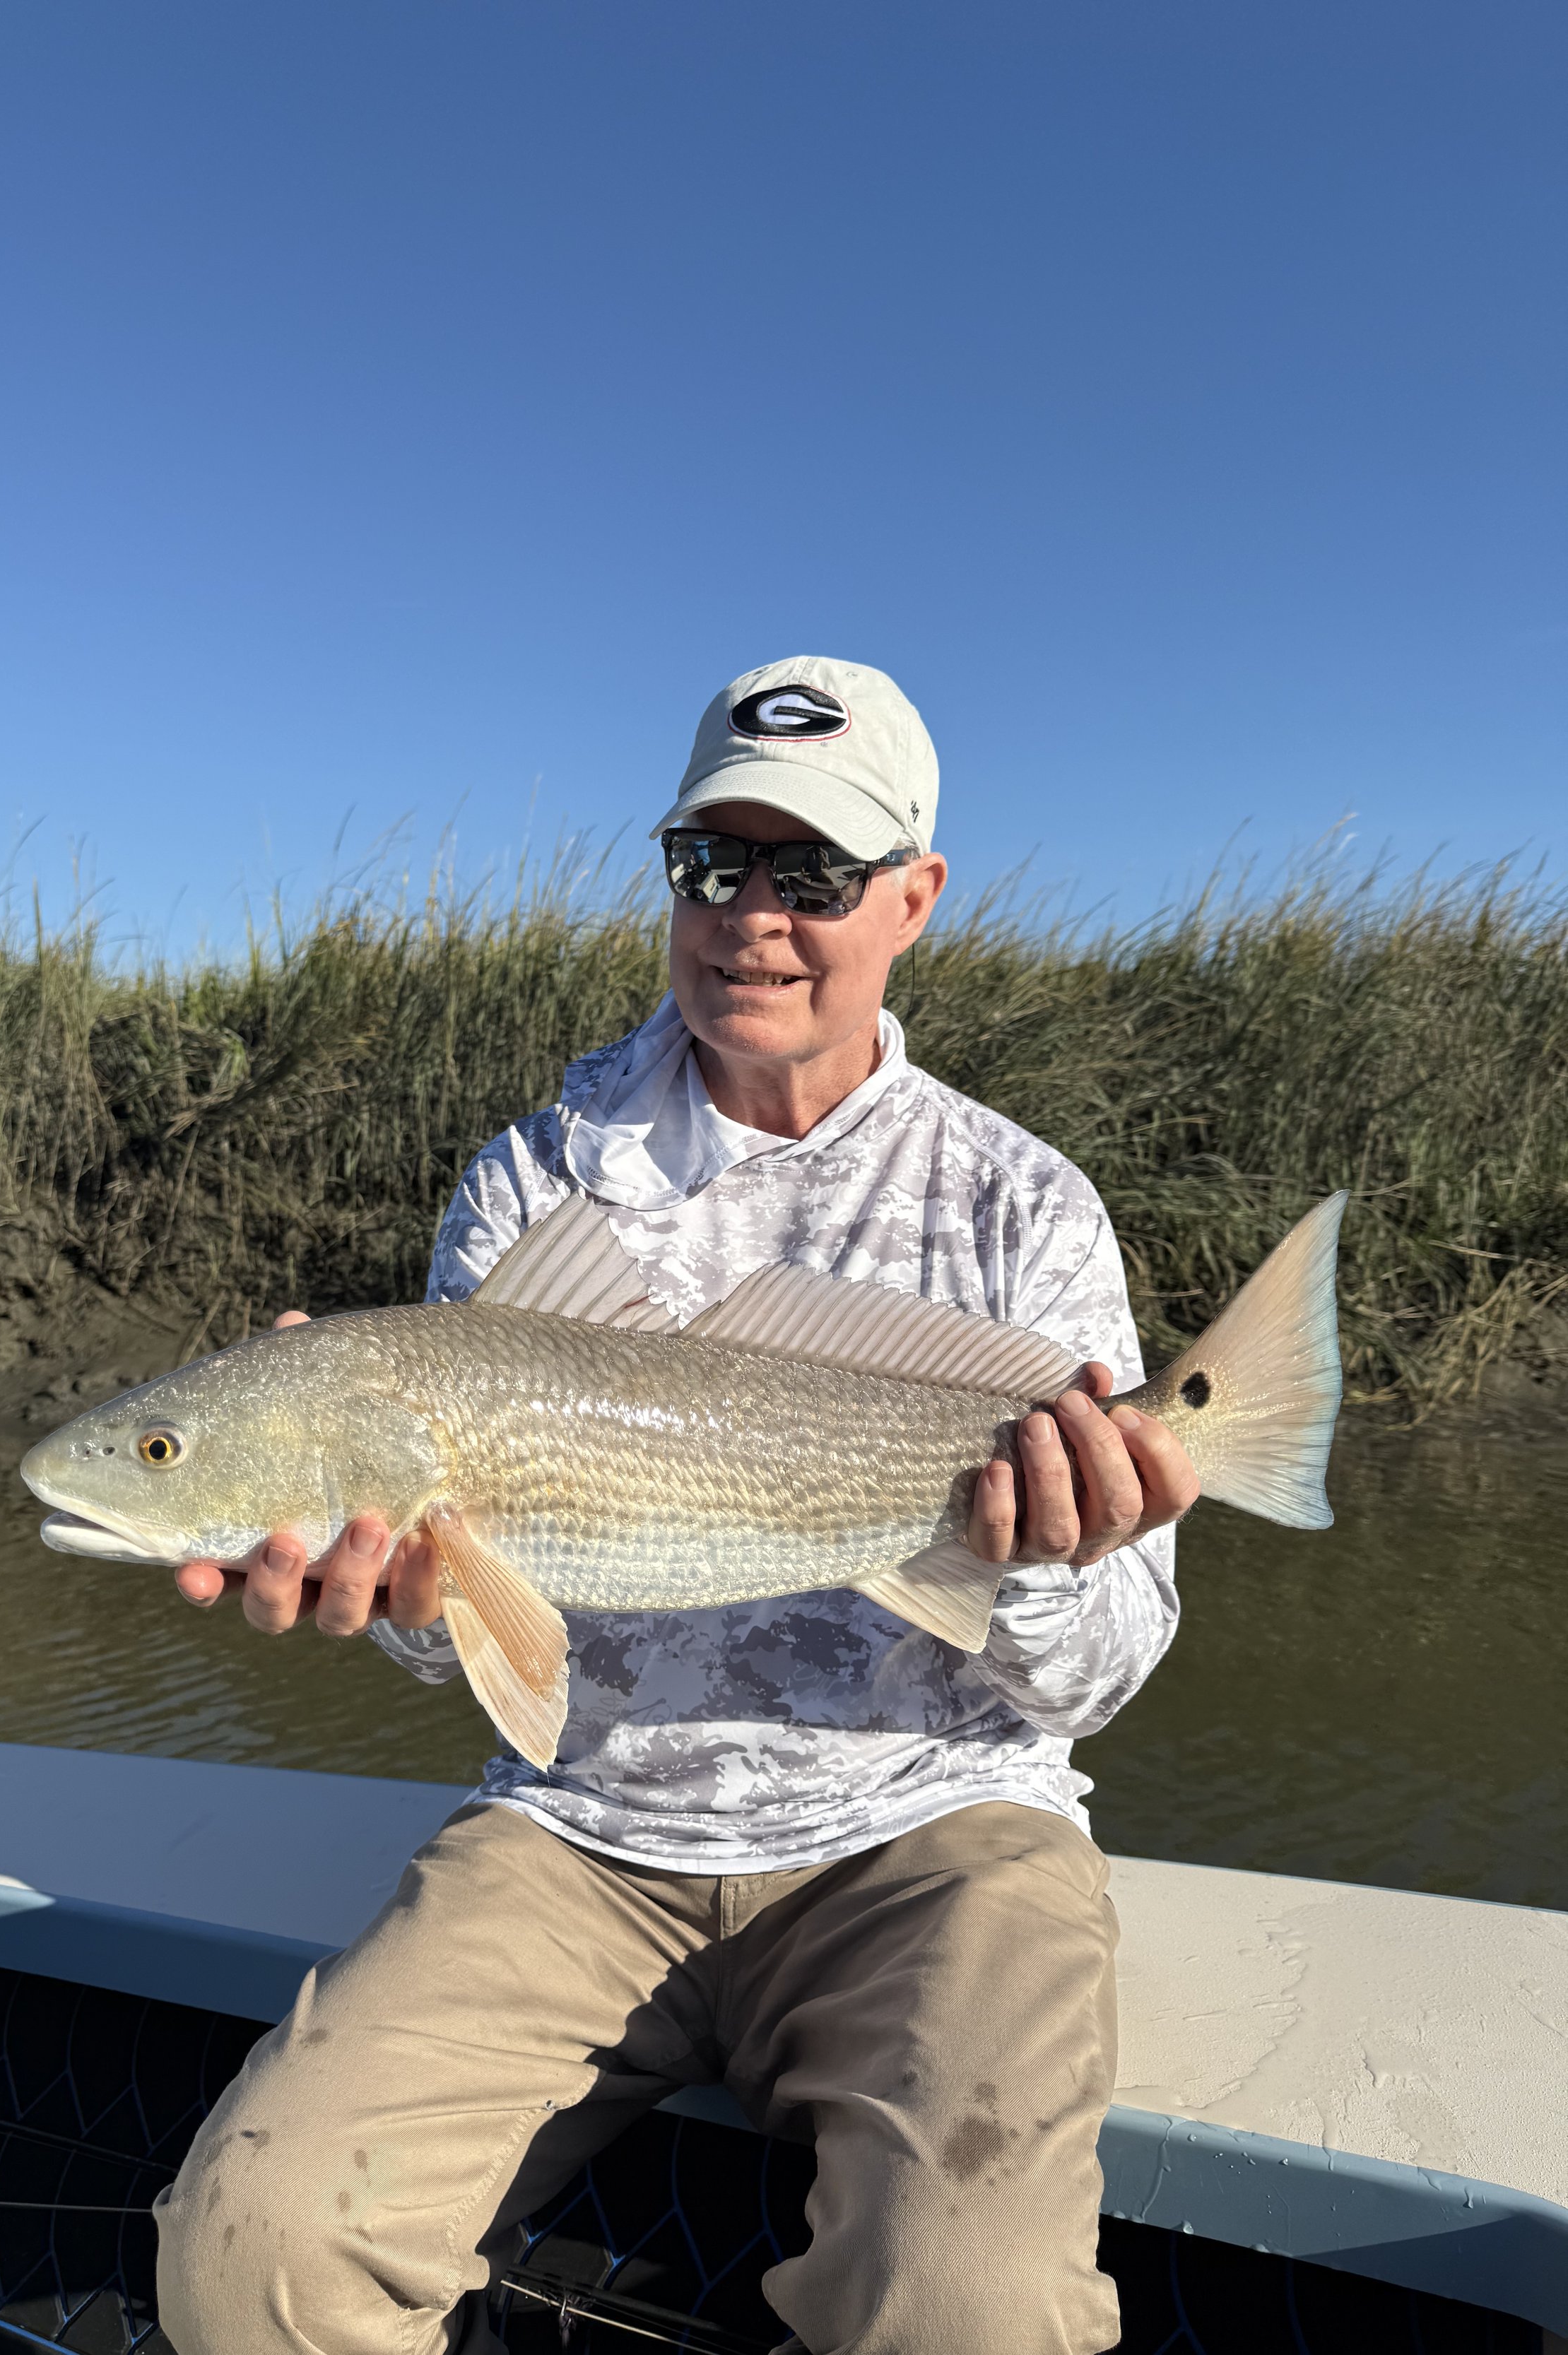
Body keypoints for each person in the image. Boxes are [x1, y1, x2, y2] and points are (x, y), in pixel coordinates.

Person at [154, 657, 1199, 2355]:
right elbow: (481, 1636)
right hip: (584, 1834)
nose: (755, 920)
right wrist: (391, 1598)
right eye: (714, 864)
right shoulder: (532, 1178)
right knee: (248, 2256)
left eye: (814, 874)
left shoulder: (1023, 1200)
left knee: (969, 2310)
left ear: (913, 899)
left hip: (927, 1835)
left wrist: (1039, 1560)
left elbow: (1098, 1678)